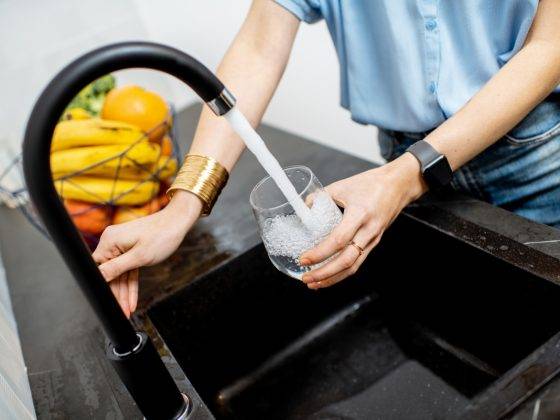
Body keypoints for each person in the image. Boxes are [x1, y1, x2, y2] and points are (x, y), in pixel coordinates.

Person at [93, 0, 560, 317]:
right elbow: (257, 50)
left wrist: (409, 174)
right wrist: (182, 207)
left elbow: (550, 46)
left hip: (535, 159)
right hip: (399, 166)